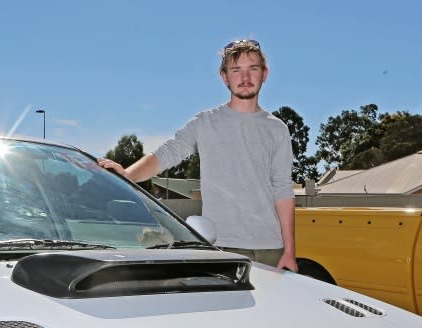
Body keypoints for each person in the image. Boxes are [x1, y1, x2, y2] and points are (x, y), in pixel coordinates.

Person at [98, 39, 298, 271]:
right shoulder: (205, 123)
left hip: (270, 249)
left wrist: (289, 251)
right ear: (225, 77)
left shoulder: (277, 128)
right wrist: (128, 175)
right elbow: (167, 153)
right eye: (236, 70)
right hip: (222, 246)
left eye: (252, 68)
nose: (245, 77)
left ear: (264, 73)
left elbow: (283, 189)